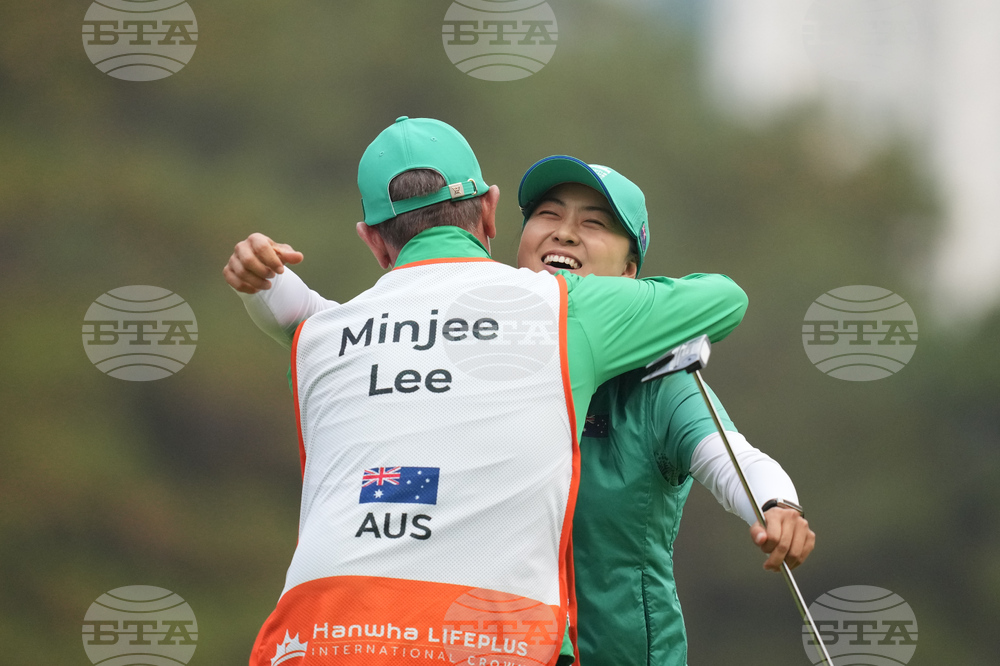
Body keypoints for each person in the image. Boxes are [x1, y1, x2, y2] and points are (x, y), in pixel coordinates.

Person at [227, 155, 815, 666]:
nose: (565, 233)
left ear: (632, 275)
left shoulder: (659, 382)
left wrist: (775, 504)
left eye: (595, 224)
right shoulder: (471, 340)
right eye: (549, 216)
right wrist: (265, 280)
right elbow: (335, 331)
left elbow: (727, 456)